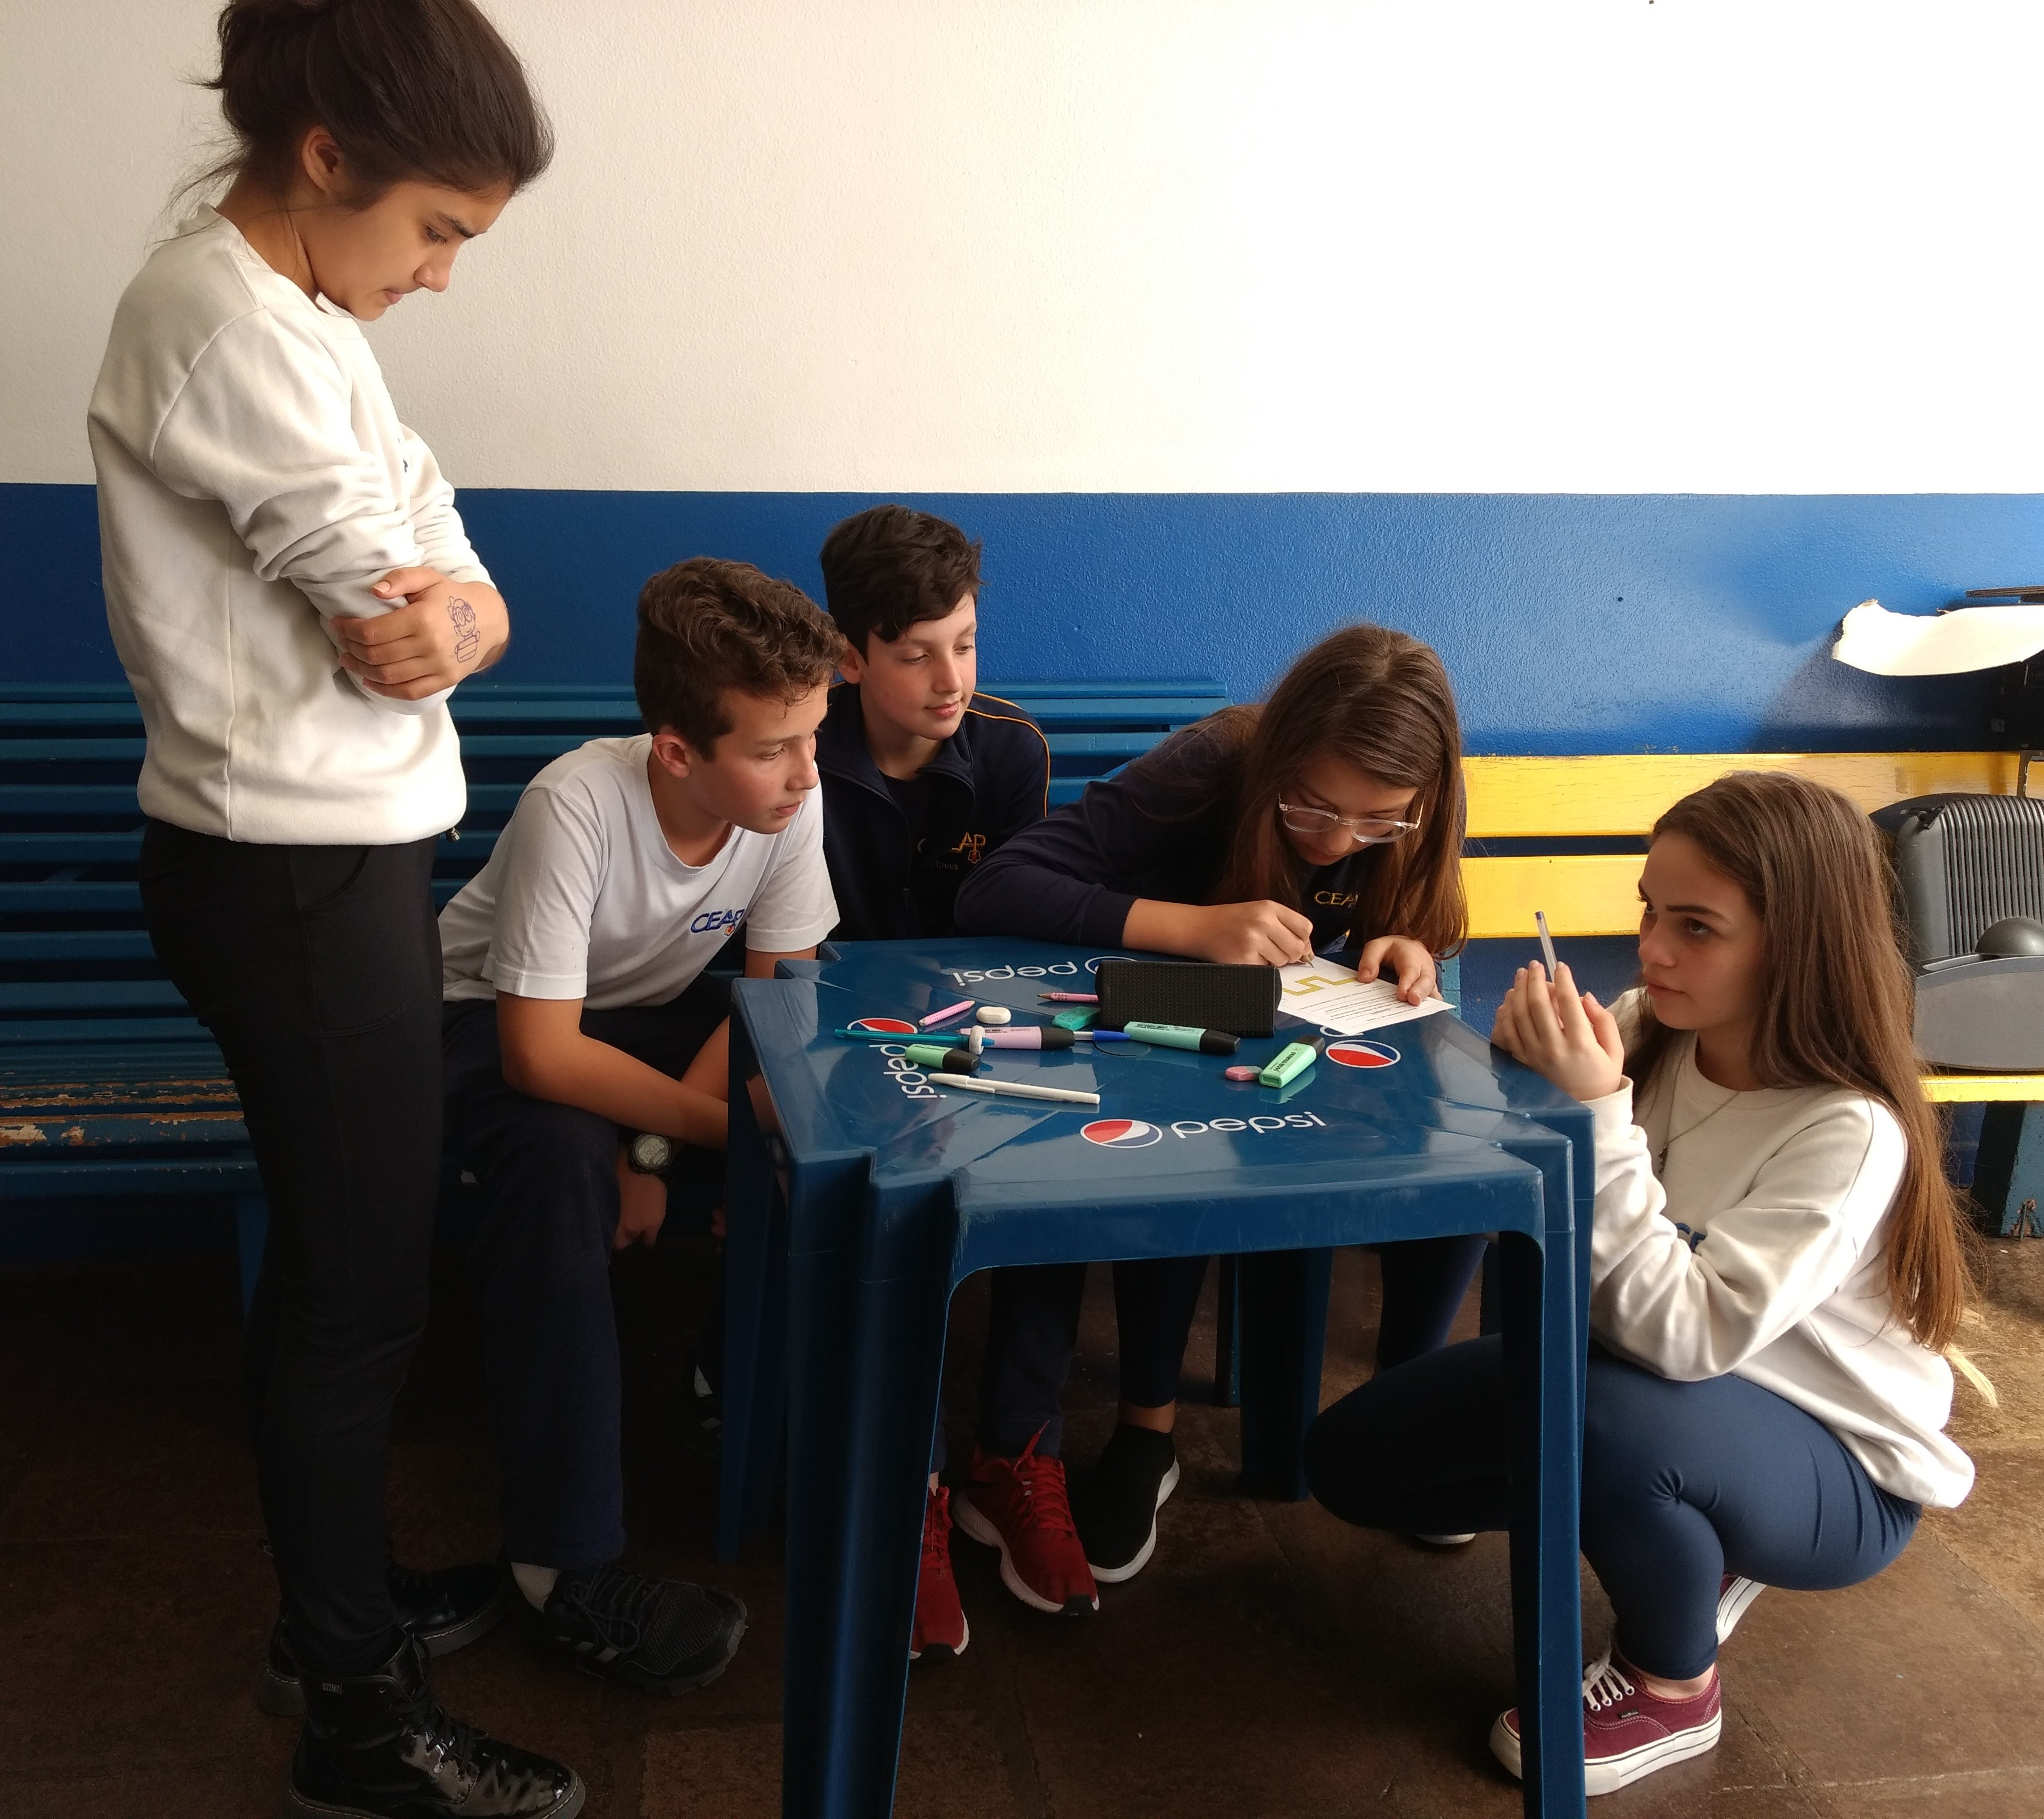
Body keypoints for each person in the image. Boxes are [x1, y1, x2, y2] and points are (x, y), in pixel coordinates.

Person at [89, 3, 578, 1813]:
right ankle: (354, 1716)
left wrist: (457, 609)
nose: (441, 273)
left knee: (340, 1270)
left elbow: (452, 573)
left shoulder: (307, 322)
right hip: (284, 879)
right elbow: (391, 623)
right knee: (359, 1290)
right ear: (324, 159)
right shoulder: (219, 323)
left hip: (332, 869)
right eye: (437, 227)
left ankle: (337, 1608)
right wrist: (441, 607)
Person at [1303, 771, 1977, 1797]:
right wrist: (1523, 1073)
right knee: (1347, 1465)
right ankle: (1686, 1532)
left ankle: (1674, 1682)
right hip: (1655, 1390)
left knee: (1604, 1426)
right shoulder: (1652, 1029)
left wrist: (1595, 1111)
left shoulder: (1846, 1130)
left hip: (1837, 1465)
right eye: (1650, 911)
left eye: (1696, 927)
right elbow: (1547, 1208)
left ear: (1798, 943)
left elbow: (1686, 1337)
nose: (1653, 949)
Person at [952, 624, 1477, 1605]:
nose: (1337, 843)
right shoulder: (1212, 763)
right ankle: (1146, 1433)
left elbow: (1423, 928)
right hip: (1164, 1020)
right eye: (1313, 808)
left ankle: (1413, 1406)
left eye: (1377, 824)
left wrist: (1412, 947)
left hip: (1301, 1042)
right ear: (1280, 760)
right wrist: (1194, 928)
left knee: (1459, 1131)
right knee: (1177, 1145)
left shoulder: (1418, 812)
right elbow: (997, 885)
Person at [435, 558, 844, 1695]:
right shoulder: (576, 803)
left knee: (802, 1096)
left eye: (814, 737)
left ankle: (733, 1391)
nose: (808, 773)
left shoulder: (789, 803)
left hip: (649, 1021)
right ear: (676, 752)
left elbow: (770, 1004)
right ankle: (556, 1567)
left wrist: (659, 1150)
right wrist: (697, 1138)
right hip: (489, 1016)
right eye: (774, 748)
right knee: (563, 1160)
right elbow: (541, 1053)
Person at [801, 504, 1051, 1658]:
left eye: (965, 642)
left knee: (1058, 1153)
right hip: (833, 1040)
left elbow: (1016, 935)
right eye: (915, 653)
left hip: (976, 1034)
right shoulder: (803, 751)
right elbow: (789, 961)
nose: (951, 679)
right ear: (850, 658)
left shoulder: (1010, 753)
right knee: (888, 1190)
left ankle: (1020, 1451)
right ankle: (915, 1485)